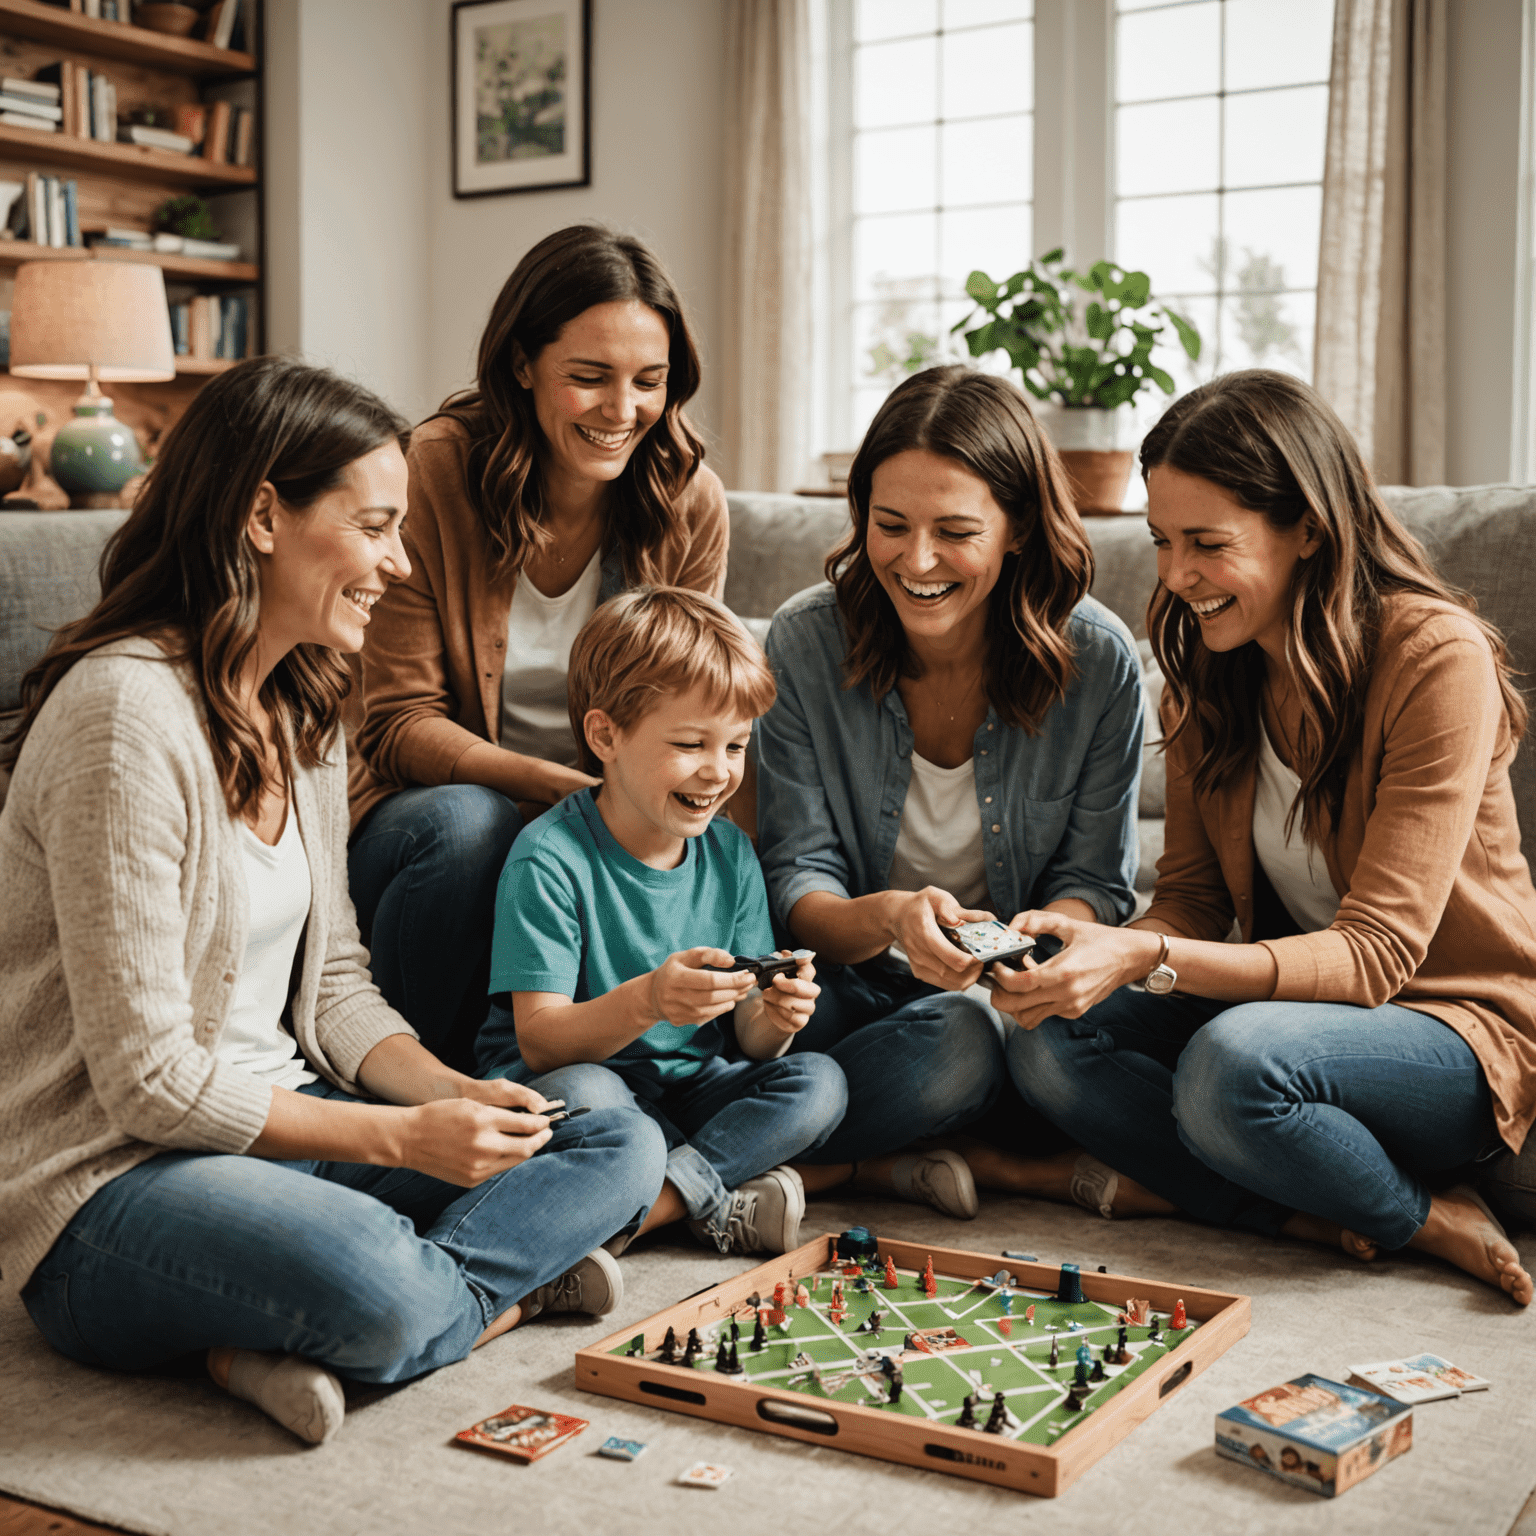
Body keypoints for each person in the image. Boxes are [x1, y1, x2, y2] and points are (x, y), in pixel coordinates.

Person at [0, 357, 669, 1447]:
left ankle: (292, 1333)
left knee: (606, 1124)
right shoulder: (124, 719)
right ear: (265, 515)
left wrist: (457, 1098)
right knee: (380, 1282)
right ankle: (464, 1299)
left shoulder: (302, 708)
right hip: (110, 1185)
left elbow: (340, 988)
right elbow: (150, 1084)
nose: (398, 565)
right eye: (373, 527)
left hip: (287, 1132)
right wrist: (408, 1143)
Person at [1001, 369, 1534, 1307]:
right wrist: (1096, 948)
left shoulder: (1435, 659)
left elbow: (1376, 957)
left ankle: (1413, 1213)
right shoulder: (1212, 669)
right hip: (1301, 1012)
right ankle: (1299, 1212)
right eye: (1164, 542)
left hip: (1456, 1024)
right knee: (1045, 1036)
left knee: (1230, 1068)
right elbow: (1197, 900)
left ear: (1309, 533)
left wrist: (1147, 953)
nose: (1174, 577)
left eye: (1208, 545)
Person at [755, 365, 1147, 1218]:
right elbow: (796, 880)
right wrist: (890, 918)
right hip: (851, 997)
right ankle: (924, 1158)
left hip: (1006, 1009)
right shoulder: (804, 643)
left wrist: (1035, 950)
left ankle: (818, 1150)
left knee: (993, 1042)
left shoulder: (1100, 663)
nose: (917, 560)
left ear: (1016, 530)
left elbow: (1097, 887)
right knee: (776, 1030)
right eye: (889, 526)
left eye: (955, 531)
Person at [347, 225, 731, 1065]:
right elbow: (398, 724)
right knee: (469, 823)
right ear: (523, 365)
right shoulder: (434, 473)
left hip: (596, 815)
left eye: (648, 382)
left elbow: (700, 702)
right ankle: (417, 1085)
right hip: (436, 818)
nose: (621, 411)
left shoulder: (687, 499)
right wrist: (556, 788)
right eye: (588, 377)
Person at [477, 587, 847, 1255]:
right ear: (604, 736)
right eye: (690, 744)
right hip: (581, 1090)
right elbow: (541, 1044)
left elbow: (750, 1041)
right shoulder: (550, 857)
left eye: (735, 747)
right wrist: (649, 999)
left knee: (819, 1082)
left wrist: (778, 1017)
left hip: (688, 1090)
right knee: (593, 1092)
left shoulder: (730, 853)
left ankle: (653, 1209)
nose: (718, 772)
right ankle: (712, 1194)